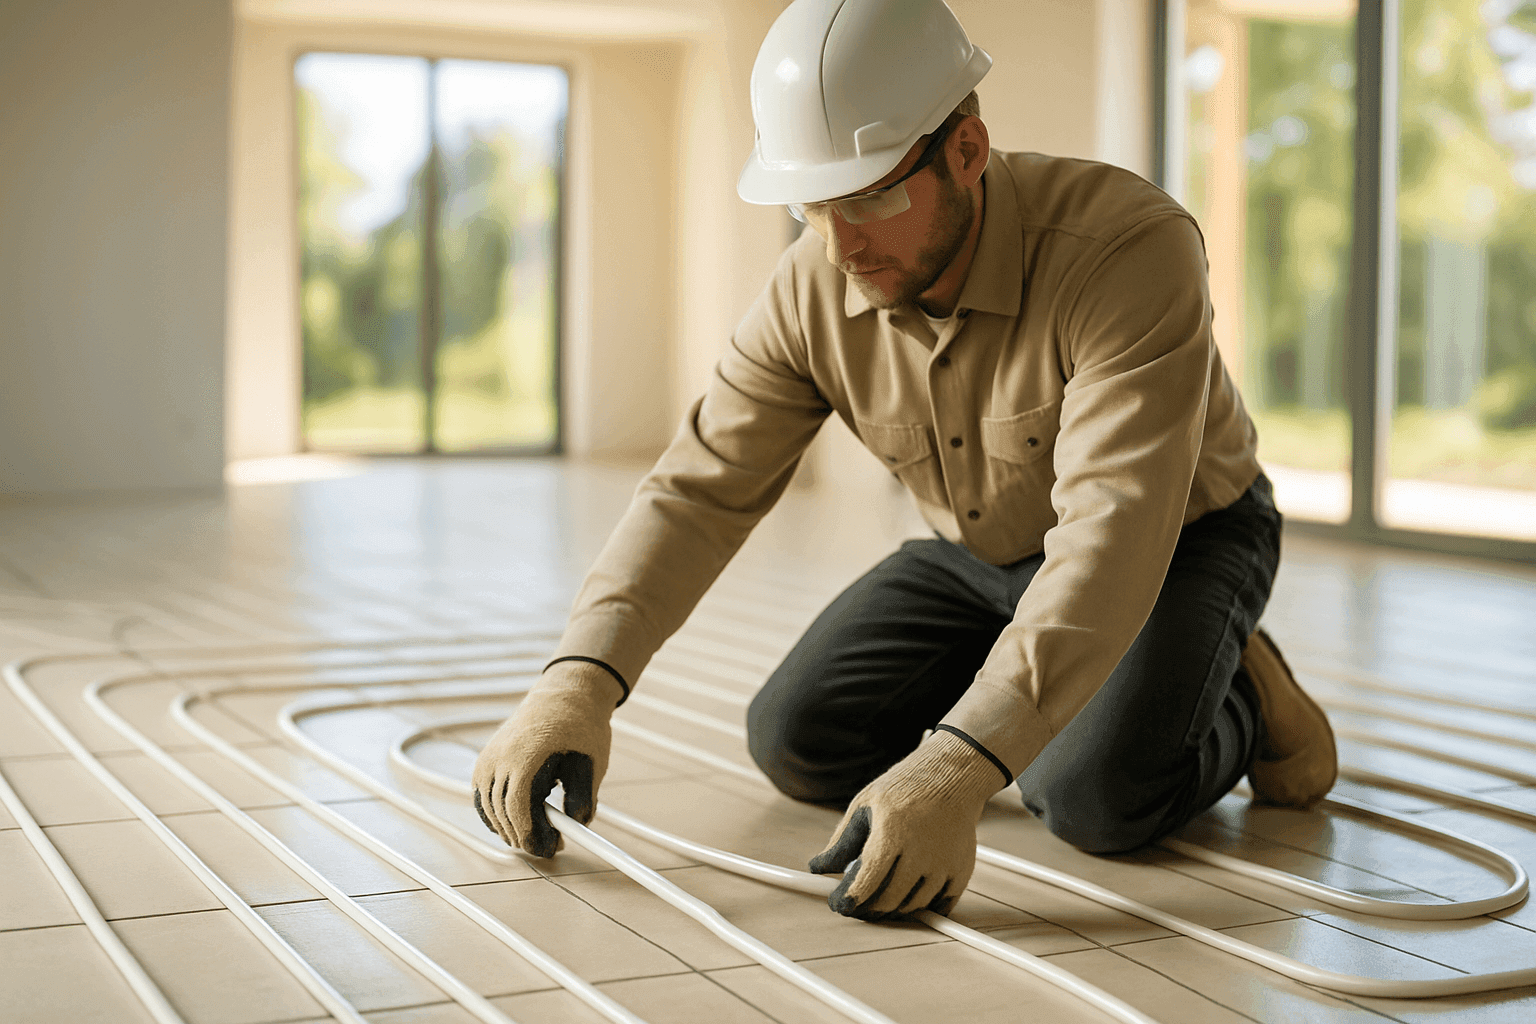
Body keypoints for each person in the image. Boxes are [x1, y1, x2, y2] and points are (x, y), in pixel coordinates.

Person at [472, 0, 1338, 922]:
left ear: (965, 149)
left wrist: (960, 765)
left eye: (873, 196)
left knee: (1094, 797)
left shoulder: (1127, 249)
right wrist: (577, 679)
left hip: (1176, 542)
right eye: (812, 206)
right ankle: (1070, 673)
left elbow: (1112, 532)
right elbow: (698, 489)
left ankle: (1246, 683)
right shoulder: (811, 284)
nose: (842, 245)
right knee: (798, 741)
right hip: (980, 549)